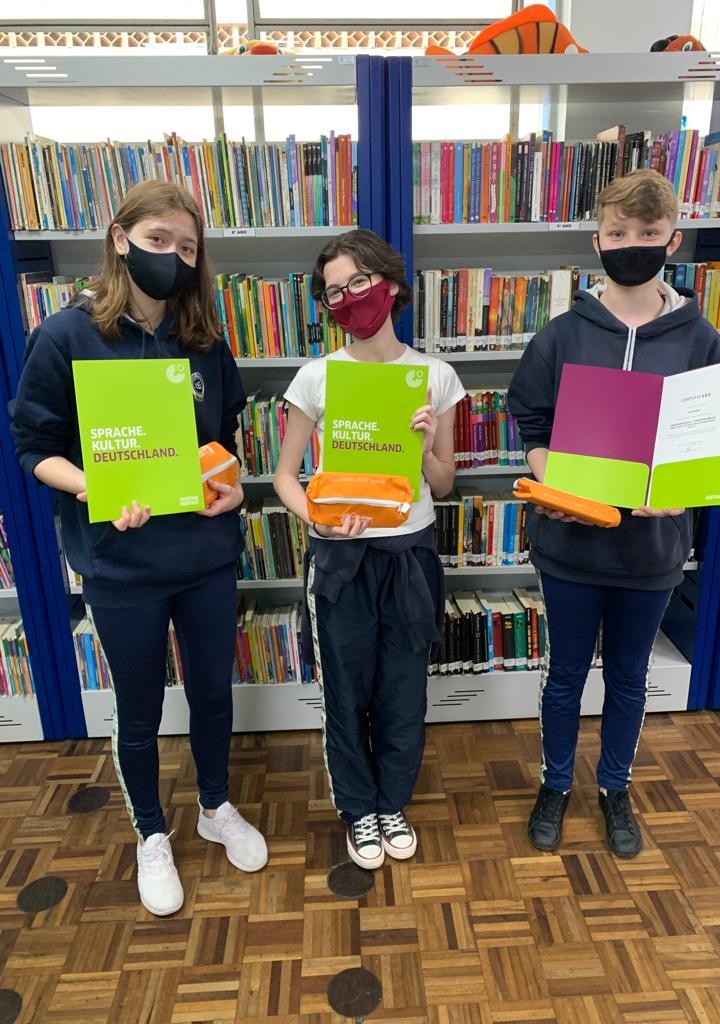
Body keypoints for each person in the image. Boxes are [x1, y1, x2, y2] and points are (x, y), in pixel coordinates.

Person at [12, 181, 267, 915]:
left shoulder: (204, 339)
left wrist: (232, 488)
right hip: (120, 563)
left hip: (204, 556)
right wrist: (94, 486)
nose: (174, 257)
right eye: (159, 240)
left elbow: (222, 443)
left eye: (188, 248)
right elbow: (34, 446)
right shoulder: (66, 336)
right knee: (139, 708)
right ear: (120, 240)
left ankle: (214, 806)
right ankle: (151, 831)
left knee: (213, 692)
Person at [507, 168, 720, 859]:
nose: (632, 244)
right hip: (570, 546)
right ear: (597, 240)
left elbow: (709, 441)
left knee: (630, 677)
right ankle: (554, 784)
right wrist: (556, 481)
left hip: (652, 551)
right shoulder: (562, 334)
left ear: (673, 240)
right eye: (618, 232)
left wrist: (684, 492)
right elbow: (532, 423)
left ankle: (614, 787)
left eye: (648, 232)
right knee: (565, 673)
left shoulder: (701, 340)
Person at [274, 229, 465, 869]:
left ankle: (391, 803)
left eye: (359, 281)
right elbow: (284, 476)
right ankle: (358, 808)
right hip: (342, 560)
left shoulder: (435, 376)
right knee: (346, 689)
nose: (349, 297)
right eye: (334, 291)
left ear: (390, 283)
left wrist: (429, 444)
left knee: (403, 689)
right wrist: (320, 521)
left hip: (409, 555)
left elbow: (443, 482)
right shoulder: (317, 376)